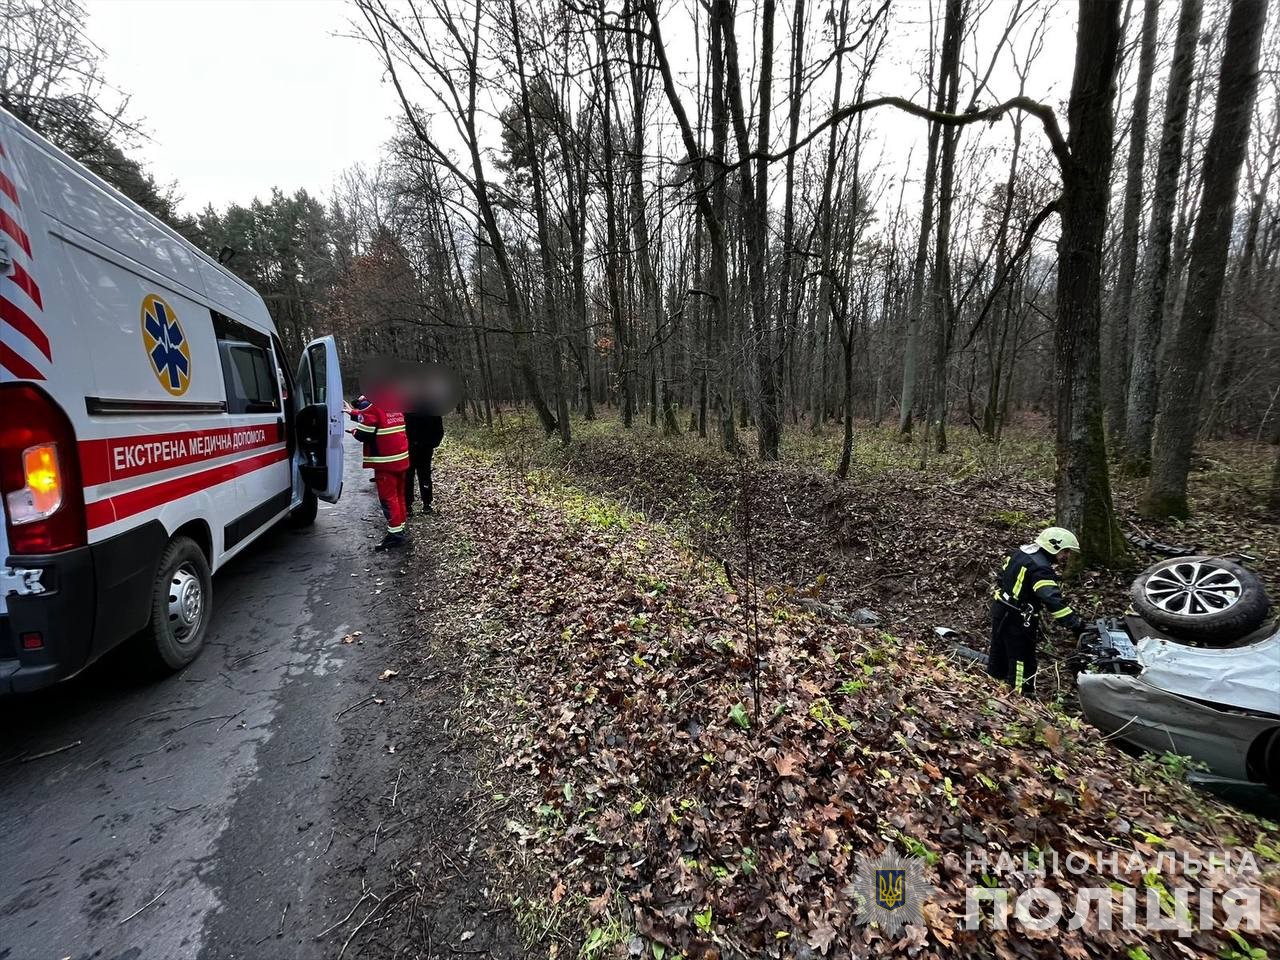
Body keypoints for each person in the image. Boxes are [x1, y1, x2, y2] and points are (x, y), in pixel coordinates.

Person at [988, 526, 1084, 697]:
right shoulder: (1041, 568)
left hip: (1000, 609)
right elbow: (1052, 600)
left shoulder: (1018, 553)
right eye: (1066, 551)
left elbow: (1001, 577)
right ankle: (1018, 699)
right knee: (1022, 661)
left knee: (998, 651)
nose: (1066, 556)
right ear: (1054, 546)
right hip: (1019, 619)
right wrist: (1075, 625)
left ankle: (992, 687)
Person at [347, 387, 410, 551]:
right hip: (401, 459)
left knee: (388, 498)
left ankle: (395, 534)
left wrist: (354, 431)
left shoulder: (373, 407)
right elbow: (376, 417)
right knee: (399, 495)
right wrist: (353, 413)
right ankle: (401, 528)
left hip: (385, 462)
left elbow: (364, 433)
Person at [404, 404, 444, 515]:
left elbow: (439, 431)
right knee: (416, 475)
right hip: (415, 447)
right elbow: (439, 430)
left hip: (419, 448)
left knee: (416, 475)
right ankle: (414, 504)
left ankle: (420, 504)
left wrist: (431, 444)